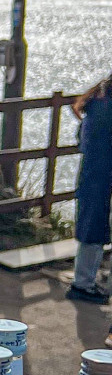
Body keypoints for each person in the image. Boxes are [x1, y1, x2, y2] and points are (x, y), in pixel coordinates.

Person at [70, 75, 112, 303]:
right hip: (101, 173)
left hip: (93, 173)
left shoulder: (96, 104)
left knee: (92, 227)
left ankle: (84, 281)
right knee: (94, 229)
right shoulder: (105, 109)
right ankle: (83, 284)